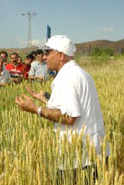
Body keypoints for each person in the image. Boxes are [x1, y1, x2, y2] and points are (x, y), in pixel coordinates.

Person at [15, 35, 110, 173]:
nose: (44, 57)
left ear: (60, 55)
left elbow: (69, 117)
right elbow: (76, 107)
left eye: (48, 53)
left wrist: (36, 109)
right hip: (94, 152)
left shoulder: (66, 78)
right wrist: (45, 100)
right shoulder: (81, 73)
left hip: (80, 159)